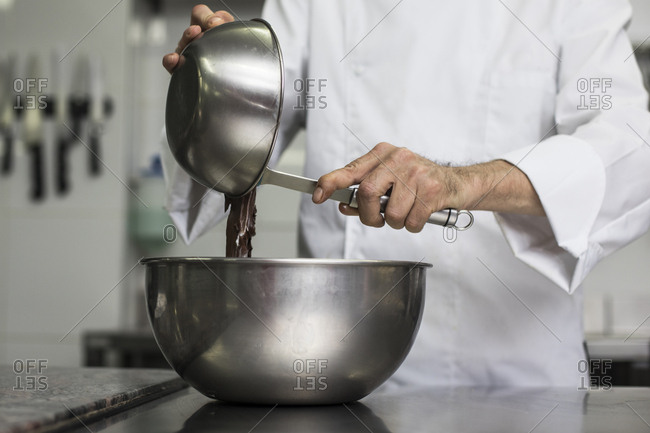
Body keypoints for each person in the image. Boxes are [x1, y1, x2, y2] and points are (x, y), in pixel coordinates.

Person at [161, 2, 650, 387]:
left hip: (516, 384)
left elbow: (631, 148)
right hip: (338, 381)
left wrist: (467, 182)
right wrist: (216, 82)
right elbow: (254, 114)